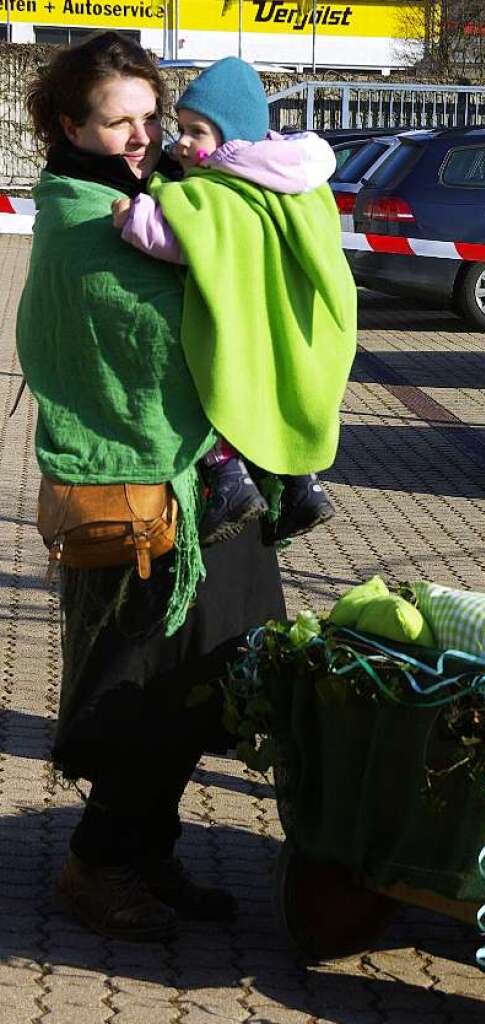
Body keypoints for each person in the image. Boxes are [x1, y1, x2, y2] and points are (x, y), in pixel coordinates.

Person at [17, 32, 286, 941]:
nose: (140, 136)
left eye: (148, 117)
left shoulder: (151, 195)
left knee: (208, 683)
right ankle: (97, 866)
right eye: (115, 121)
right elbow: (154, 331)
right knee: (147, 692)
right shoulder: (79, 211)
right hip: (141, 497)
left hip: (206, 491)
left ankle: (150, 852)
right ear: (68, 124)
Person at [112, 57, 357, 546]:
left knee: (208, 389)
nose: (181, 142)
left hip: (246, 326)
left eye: (196, 131)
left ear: (231, 138)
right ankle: (303, 489)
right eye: (179, 127)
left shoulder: (228, 186)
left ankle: (230, 484)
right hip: (289, 322)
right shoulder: (294, 180)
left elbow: (187, 238)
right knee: (276, 398)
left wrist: (131, 215)